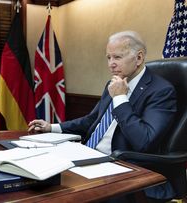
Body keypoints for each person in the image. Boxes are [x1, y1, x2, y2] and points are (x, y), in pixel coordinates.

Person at [28, 31, 177, 201]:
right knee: (37, 179)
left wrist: (120, 98)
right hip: (87, 155)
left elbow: (144, 141)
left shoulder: (160, 91)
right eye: (108, 58)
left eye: (117, 57)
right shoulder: (112, 84)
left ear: (139, 58)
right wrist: (52, 127)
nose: (111, 64)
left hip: (119, 165)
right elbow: (92, 120)